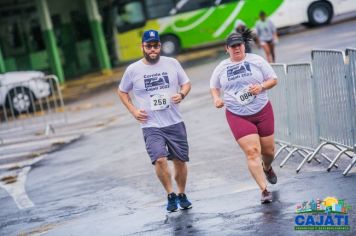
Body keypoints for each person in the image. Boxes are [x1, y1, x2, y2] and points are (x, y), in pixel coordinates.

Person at [117, 30, 192, 212]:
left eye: (156, 46)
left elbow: (186, 83)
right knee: (159, 160)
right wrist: (134, 111)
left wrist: (181, 94)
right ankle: (170, 194)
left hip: (174, 121)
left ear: (160, 46)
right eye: (149, 46)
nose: (153, 49)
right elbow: (122, 91)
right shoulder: (133, 70)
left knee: (180, 161)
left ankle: (181, 193)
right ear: (142, 47)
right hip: (151, 125)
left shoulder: (172, 63)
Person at [210, 31, 278, 203]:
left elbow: (273, 79)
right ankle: (264, 190)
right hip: (237, 114)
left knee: (268, 151)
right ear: (227, 49)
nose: (236, 48)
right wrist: (217, 98)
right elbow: (214, 86)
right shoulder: (222, 67)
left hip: (262, 110)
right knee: (252, 152)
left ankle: (267, 167)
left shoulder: (256, 60)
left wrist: (261, 86)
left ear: (243, 45)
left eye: (239, 45)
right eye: (232, 46)